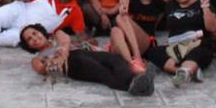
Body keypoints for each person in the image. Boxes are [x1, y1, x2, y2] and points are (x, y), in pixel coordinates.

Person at [22, 23, 156, 95]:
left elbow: (65, 41)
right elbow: (40, 69)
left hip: (83, 52)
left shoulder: (57, 34)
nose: (35, 38)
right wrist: (49, 62)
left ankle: (139, 84)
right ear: (28, 46)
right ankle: (133, 84)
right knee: (101, 71)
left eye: (35, 33)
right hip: (73, 64)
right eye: (29, 39)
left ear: (41, 31)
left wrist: (62, 52)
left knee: (114, 59)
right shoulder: (37, 58)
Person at [144, 0, 216, 87]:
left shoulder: (202, 3)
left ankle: (185, 72)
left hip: (198, 45)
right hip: (176, 47)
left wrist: (205, 6)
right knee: (153, 52)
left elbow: (212, 28)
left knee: (200, 52)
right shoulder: (170, 6)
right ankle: (185, 72)